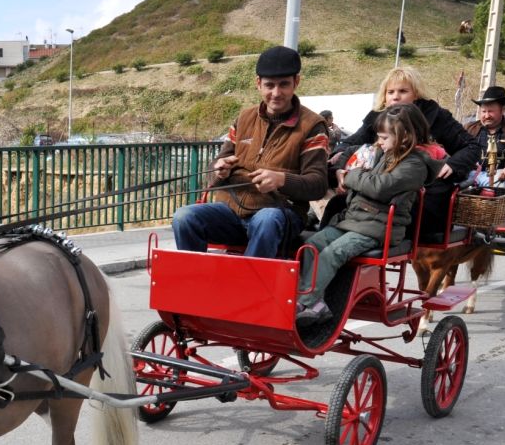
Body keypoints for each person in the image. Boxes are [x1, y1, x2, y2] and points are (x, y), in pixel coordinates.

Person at [171, 45, 328, 258]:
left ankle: (248, 287)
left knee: (267, 219)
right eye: (269, 85)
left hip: (280, 214)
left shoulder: (313, 125)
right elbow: (218, 164)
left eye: (284, 85)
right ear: (258, 84)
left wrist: (282, 179)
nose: (276, 93)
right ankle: (195, 283)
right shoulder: (244, 118)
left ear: (296, 82)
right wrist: (219, 170)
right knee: (184, 216)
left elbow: (318, 185)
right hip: (231, 211)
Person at [296, 104, 437, 325]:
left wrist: (352, 177)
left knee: (334, 253)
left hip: (380, 228)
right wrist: (346, 172)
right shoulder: (384, 154)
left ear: (405, 136)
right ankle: (314, 301)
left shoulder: (415, 165)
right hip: (355, 220)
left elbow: (380, 187)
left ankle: (307, 301)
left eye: (383, 137)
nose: (379, 141)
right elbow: (359, 167)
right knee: (312, 243)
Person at [332, 66, 479, 238]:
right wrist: (339, 163)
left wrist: (453, 164)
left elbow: (471, 146)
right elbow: (351, 144)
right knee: (336, 205)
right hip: (378, 190)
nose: (395, 96)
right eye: (390, 92)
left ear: (416, 94)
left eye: (403, 91)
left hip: (423, 193)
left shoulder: (436, 116)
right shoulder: (377, 118)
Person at [463, 86, 505, 189]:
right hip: (469, 172)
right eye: (483, 111)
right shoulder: (469, 128)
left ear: (503, 110)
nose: (486, 116)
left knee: (499, 188)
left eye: (490, 111)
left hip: (500, 175)